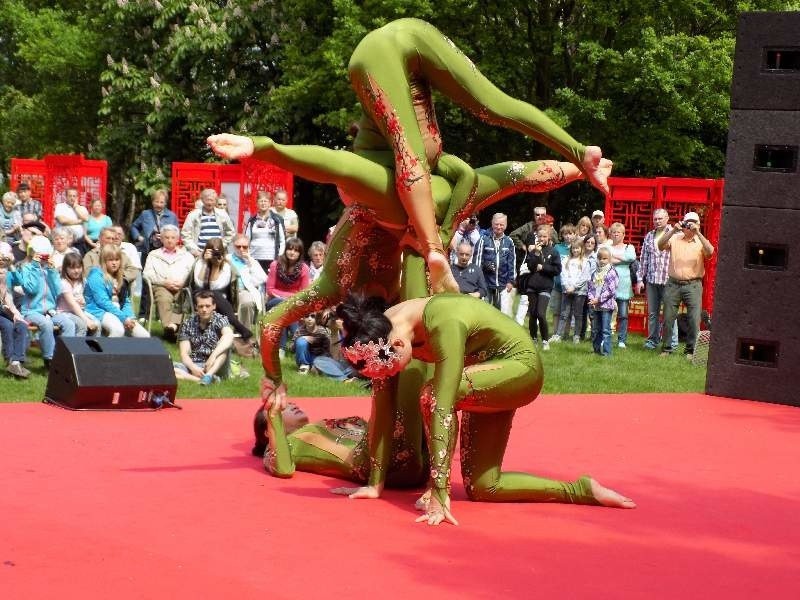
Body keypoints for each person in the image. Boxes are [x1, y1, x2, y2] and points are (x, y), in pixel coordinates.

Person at [346, 18, 609, 295]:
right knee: (493, 105)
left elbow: (416, 167)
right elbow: (513, 174)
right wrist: (578, 166)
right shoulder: (434, 171)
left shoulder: (416, 178)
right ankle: (581, 151)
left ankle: (581, 155)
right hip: (413, 34)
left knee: (415, 160)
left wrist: (436, 242)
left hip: (385, 65)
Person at [331, 293, 635, 526]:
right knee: (484, 486)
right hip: (479, 380)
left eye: (391, 371)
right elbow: (382, 410)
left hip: (520, 369)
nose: (392, 377)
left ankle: (440, 490)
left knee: (432, 396)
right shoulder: (376, 333)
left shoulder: (443, 321)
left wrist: (438, 491)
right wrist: (375, 483)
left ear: (397, 345)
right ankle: (580, 490)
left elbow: (443, 406)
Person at [255, 402, 426, 487]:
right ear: (269, 430)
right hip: (382, 463)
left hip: (413, 457)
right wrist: (273, 415)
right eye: (280, 409)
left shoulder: (320, 425)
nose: (291, 404)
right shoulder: (288, 443)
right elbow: (282, 468)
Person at [11, 236, 78, 368]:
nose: (43, 259)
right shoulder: (27, 268)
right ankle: (50, 359)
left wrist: (52, 271)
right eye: (40, 255)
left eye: (45, 256)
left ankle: (64, 356)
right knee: (46, 324)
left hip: (49, 311)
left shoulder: (49, 269)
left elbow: (58, 290)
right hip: (31, 311)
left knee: (69, 324)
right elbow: (31, 290)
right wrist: (36, 268)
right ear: (32, 253)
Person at [658, 211, 714, 357]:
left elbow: (711, 252)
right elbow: (660, 245)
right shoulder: (675, 237)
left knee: (694, 319)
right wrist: (672, 231)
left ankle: (690, 350)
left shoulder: (700, 241)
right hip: (673, 284)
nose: (689, 225)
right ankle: (667, 348)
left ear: (698, 225)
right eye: (687, 222)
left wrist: (698, 233)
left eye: (692, 222)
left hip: (693, 285)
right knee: (668, 318)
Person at [192, 237, 255, 355]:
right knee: (213, 294)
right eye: (212, 251)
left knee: (214, 294)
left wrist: (216, 266)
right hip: (199, 296)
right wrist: (206, 263)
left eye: (217, 252)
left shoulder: (226, 265)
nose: (215, 255)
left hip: (219, 298)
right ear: (206, 251)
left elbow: (215, 286)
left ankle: (236, 330)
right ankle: (240, 327)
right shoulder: (200, 262)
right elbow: (199, 283)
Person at [142, 224, 195, 341]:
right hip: (162, 286)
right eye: (166, 237)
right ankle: (168, 328)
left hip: (181, 286)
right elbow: (147, 274)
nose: (169, 240)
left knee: (184, 297)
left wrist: (183, 283)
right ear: (161, 239)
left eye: (172, 237)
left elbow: (192, 274)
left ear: (177, 239)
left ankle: (173, 326)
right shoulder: (153, 255)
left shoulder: (187, 256)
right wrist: (164, 282)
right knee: (163, 298)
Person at [635, 208, 678, 350]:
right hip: (652, 280)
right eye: (655, 219)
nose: (658, 221)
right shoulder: (649, 236)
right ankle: (652, 340)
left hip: (668, 280)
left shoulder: (675, 234)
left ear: (667, 219)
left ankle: (672, 342)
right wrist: (640, 278)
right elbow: (644, 259)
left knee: (670, 313)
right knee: (652, 313)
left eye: (660, 218)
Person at [84, 245, 149, 338]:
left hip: (119, 311)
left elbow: (125, 301)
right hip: (99, 311)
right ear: (103, 261)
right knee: (118, 330)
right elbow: (103, 302)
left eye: (117, 259)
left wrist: (130, 317)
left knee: (144, 336)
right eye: (110, 260)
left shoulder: (120, 277)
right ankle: (107, 352)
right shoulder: (96, 276)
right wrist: (124, 318)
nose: (114, 263)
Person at [173, 290, 234, 385]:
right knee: (168, 369)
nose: (204, 309)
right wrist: (193, 368)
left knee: (224, 345)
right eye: (201, 306)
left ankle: (209, 375)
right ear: (196, 307)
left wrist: (212, 356)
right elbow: (184, 354)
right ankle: (200, 380)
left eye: (207, 306)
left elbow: (229, 336)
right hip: (195, 364)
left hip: (216, 364)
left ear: (214, 306)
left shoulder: (220, 319)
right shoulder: (188, 323)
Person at [524, 224, 561, 349]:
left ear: (549, 237)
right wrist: (536, 254)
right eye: (540, 236)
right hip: (532, 286)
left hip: (545, 286)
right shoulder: (534, 250)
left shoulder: (554, 251)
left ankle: (545, 340)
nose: (542, 238)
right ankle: (533, 338)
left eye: (544, 236)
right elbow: (530, 266)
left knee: (540, 313)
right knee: (533, 314)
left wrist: (543, 267)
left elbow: (557, 270)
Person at [474, 213, 516, 311]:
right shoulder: (483, 239)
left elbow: (512, 262)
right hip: (485, 282)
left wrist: (511, 281)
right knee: (484, 310)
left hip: (503, 283)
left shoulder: (509, 241)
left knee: (500, 312)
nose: (499, 227)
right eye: (496, 224)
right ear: (492, 224)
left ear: (505, 225)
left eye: (501, 225)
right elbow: (477, 261)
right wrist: (477, 279)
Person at [552, 240, 590, 343]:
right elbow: (563, 274)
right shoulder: (566, 260)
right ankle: (558, 335)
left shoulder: (585, 261)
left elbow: (585, 277)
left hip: (580, 292)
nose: (575, 250)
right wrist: (567, 286)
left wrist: (575, 287)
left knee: (578, 314)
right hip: (567, 290)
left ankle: (576, 335)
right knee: (564, 313)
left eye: (577, 248)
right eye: (573, 248)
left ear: (581, 249)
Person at [181, 188, 235, 258]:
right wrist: (194, 249)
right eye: (207, 200)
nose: (209, 203)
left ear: (215, 201)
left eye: (212, 200)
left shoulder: (222, 214)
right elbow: (185, 233)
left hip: (218, 254)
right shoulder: (193, 215)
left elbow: (231, 232)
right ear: (202, 200)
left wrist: (222, 244)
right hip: (199, 253)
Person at [229, 233, 267, 331]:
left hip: (243, 291)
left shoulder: (252, 261)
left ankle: (245, 334)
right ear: (233, 246)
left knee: (248, 302)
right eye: (238, 246)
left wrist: (250, 261)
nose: (241, 249)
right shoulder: (227, 258)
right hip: (228, 291)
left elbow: (262, 279)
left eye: (245, 247)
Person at [0, 260, 30, 378]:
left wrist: (17, 315)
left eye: (3, 270)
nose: (2, 272)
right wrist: (7, 310)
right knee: (7, 326)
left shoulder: (5, 287)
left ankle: (17, 361)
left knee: (21, 324)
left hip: (4, 312)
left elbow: (9, 303)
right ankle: (10, 360)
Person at [608, 222, 636, 349]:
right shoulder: (607, 246)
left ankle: (621, 340)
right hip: (608, 284)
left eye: (618, 232)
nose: (615, 234)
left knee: (623, 314)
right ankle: (606, 337)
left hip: (624, 285)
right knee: (607, 312)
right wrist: (622, 259)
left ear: (623, 234)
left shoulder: (629, 247)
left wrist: (613, 256)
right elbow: (604, 258)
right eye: (613, 232)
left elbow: (631, 257)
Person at [56, 252, 98, 336]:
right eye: (72, 268)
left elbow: (85, 296)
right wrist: (86, 320)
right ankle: (76, 348)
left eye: (79, 267)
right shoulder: (64, 283)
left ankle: (93, 348)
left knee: (97, 324)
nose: (76, 271)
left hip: (79, 311)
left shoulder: (82, 281)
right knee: (81, 325)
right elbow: (72, 304)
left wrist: (83, 299)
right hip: (65, 312)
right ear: (65, 268)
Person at [244, 190, 286, 274]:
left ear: (270, 203)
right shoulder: (252, 220)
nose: (263, 203)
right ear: (257, 203)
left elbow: (282, 241)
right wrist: (247, 257)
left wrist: (279, 257)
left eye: (265, 201)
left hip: (271, 258)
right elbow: (246, 240)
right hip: (254, 257)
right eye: (261, 201)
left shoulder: (277, 219)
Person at [587, 246, 619, 356]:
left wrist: (598, 299)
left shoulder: (611, 272)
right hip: (596, 306)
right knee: (596, 329)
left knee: (606, 330)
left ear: (609, 259)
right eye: (600, 258)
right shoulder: (595, 273)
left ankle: (607, 352)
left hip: (606, 305)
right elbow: (590, 287)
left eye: (605, 258)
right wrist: (591, 298)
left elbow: (611, 290)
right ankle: (596, 350)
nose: (602, 260)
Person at [53, 187, 89, 255]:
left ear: (77, 197)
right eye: (70, 196)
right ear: (66, 197)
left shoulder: (82, 208)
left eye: (74, 196)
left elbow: (86, 219)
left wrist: (75, 207)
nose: (72, 198)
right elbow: (62, 221)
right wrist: (80, 221)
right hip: (63, 243)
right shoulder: (60, 206)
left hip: (79, 243)